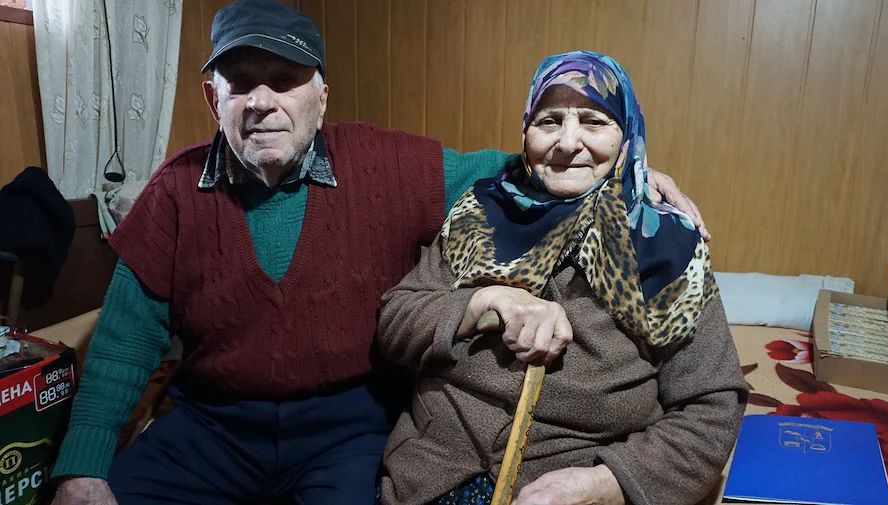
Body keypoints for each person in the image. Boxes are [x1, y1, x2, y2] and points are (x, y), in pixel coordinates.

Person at [49, 1, 710, 504]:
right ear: (211, 97)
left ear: (320, 97)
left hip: (346, 426)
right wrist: (81, 466)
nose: (262, 102)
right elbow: (123, 343)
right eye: (240, 82)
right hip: (210, 427)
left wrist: (626, 176)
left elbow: (519, 166)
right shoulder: (173, 190)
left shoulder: (386, 164)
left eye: (285, 80)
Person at [376, 51, 748, 505]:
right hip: (429, 471)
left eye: (594, 121)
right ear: (525, 132)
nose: (568, 143)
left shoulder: (668, 245)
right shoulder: (481, 210)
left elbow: (711, 406)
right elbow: (396, 320)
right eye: (549, 121)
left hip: (577, 482)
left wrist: (606, 485)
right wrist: (482, 302)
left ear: (626, 138)